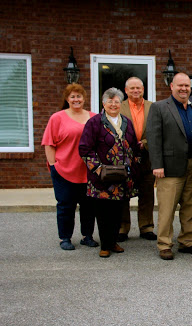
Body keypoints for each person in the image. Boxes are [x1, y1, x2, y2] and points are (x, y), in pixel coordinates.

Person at [147, 73, 192, 260]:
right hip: (169, 167)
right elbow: (154, 139)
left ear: (191, 88)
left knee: (190, 205)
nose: (183, 89)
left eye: (187, 86)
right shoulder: (159, 107)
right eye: (180, 85)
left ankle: (187, 241)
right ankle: (165, 244)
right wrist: (157, 165)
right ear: (171, 86)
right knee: (167, 208)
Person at [79, 88, 140, 258]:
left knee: (117, 210)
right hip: (102, 177)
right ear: (103, 103)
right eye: (110, 101)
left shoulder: (126, 122)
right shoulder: (94, 122)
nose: (113, 104)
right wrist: (97, 168)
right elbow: (85, 148)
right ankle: (105, 245)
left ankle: (113, 241)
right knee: (103, 212)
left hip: (122, 177)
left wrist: (135, 166)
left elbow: (134, 146)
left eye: (117, 101)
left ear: (121, 104)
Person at [42, 83, 98, 250]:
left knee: (89, 205)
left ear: (84, 98)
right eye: (72, 97)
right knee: (66, 205)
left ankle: (86, 236)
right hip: (64, 169)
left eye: (79, 96)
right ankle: (64, 238)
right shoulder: (57, 118)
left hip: (88, 171)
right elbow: (48, 143)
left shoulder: (94, 117)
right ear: (67, 99)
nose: (76, 99)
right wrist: (53, 165)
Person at [118, 77, 157, 242]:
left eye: (138, 88)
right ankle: (122, 228)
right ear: (126, 91)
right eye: (132, 88)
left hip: (147, 157)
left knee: (147, 193)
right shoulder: (118, 107)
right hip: (125, 159)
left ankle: (146, 227)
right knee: (123, 194)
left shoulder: (153, 107)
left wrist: (146, 143)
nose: (136, 91)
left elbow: (156, 130)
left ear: (143, 89)